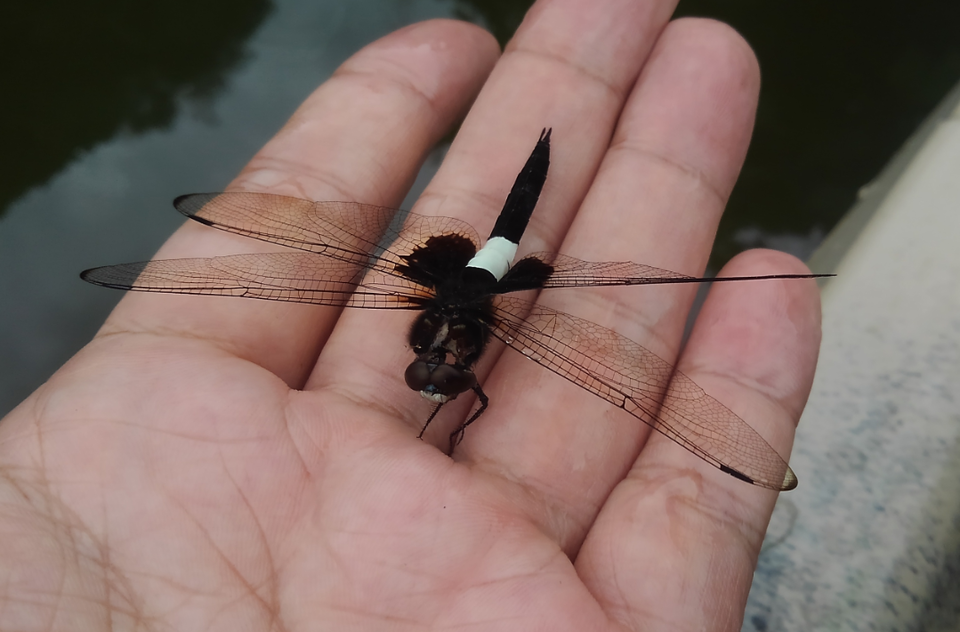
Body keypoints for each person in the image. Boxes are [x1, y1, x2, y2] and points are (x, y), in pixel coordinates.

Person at [0, 4, 822, 630]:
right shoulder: (435, 332)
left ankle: (534, 181)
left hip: (488, 266)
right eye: (439, 372)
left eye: (437, 371)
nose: (436, 378)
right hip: (461, 272)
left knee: (535, 228)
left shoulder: (482, 331)